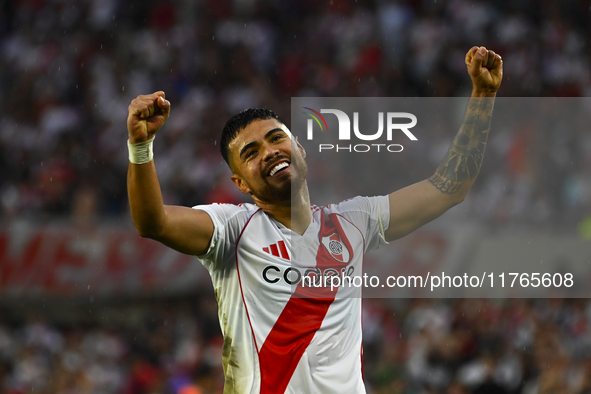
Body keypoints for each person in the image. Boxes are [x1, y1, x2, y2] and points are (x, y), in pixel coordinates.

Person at [126, 46, 503, 393]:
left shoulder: (356, 220)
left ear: (300, 148)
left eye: (277, 138)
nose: (271, 152)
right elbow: (153, 222)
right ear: (240, 182)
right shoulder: (231, 229)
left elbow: (449, 188)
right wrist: (141, 147)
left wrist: (483, 97)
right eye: (252, 152)